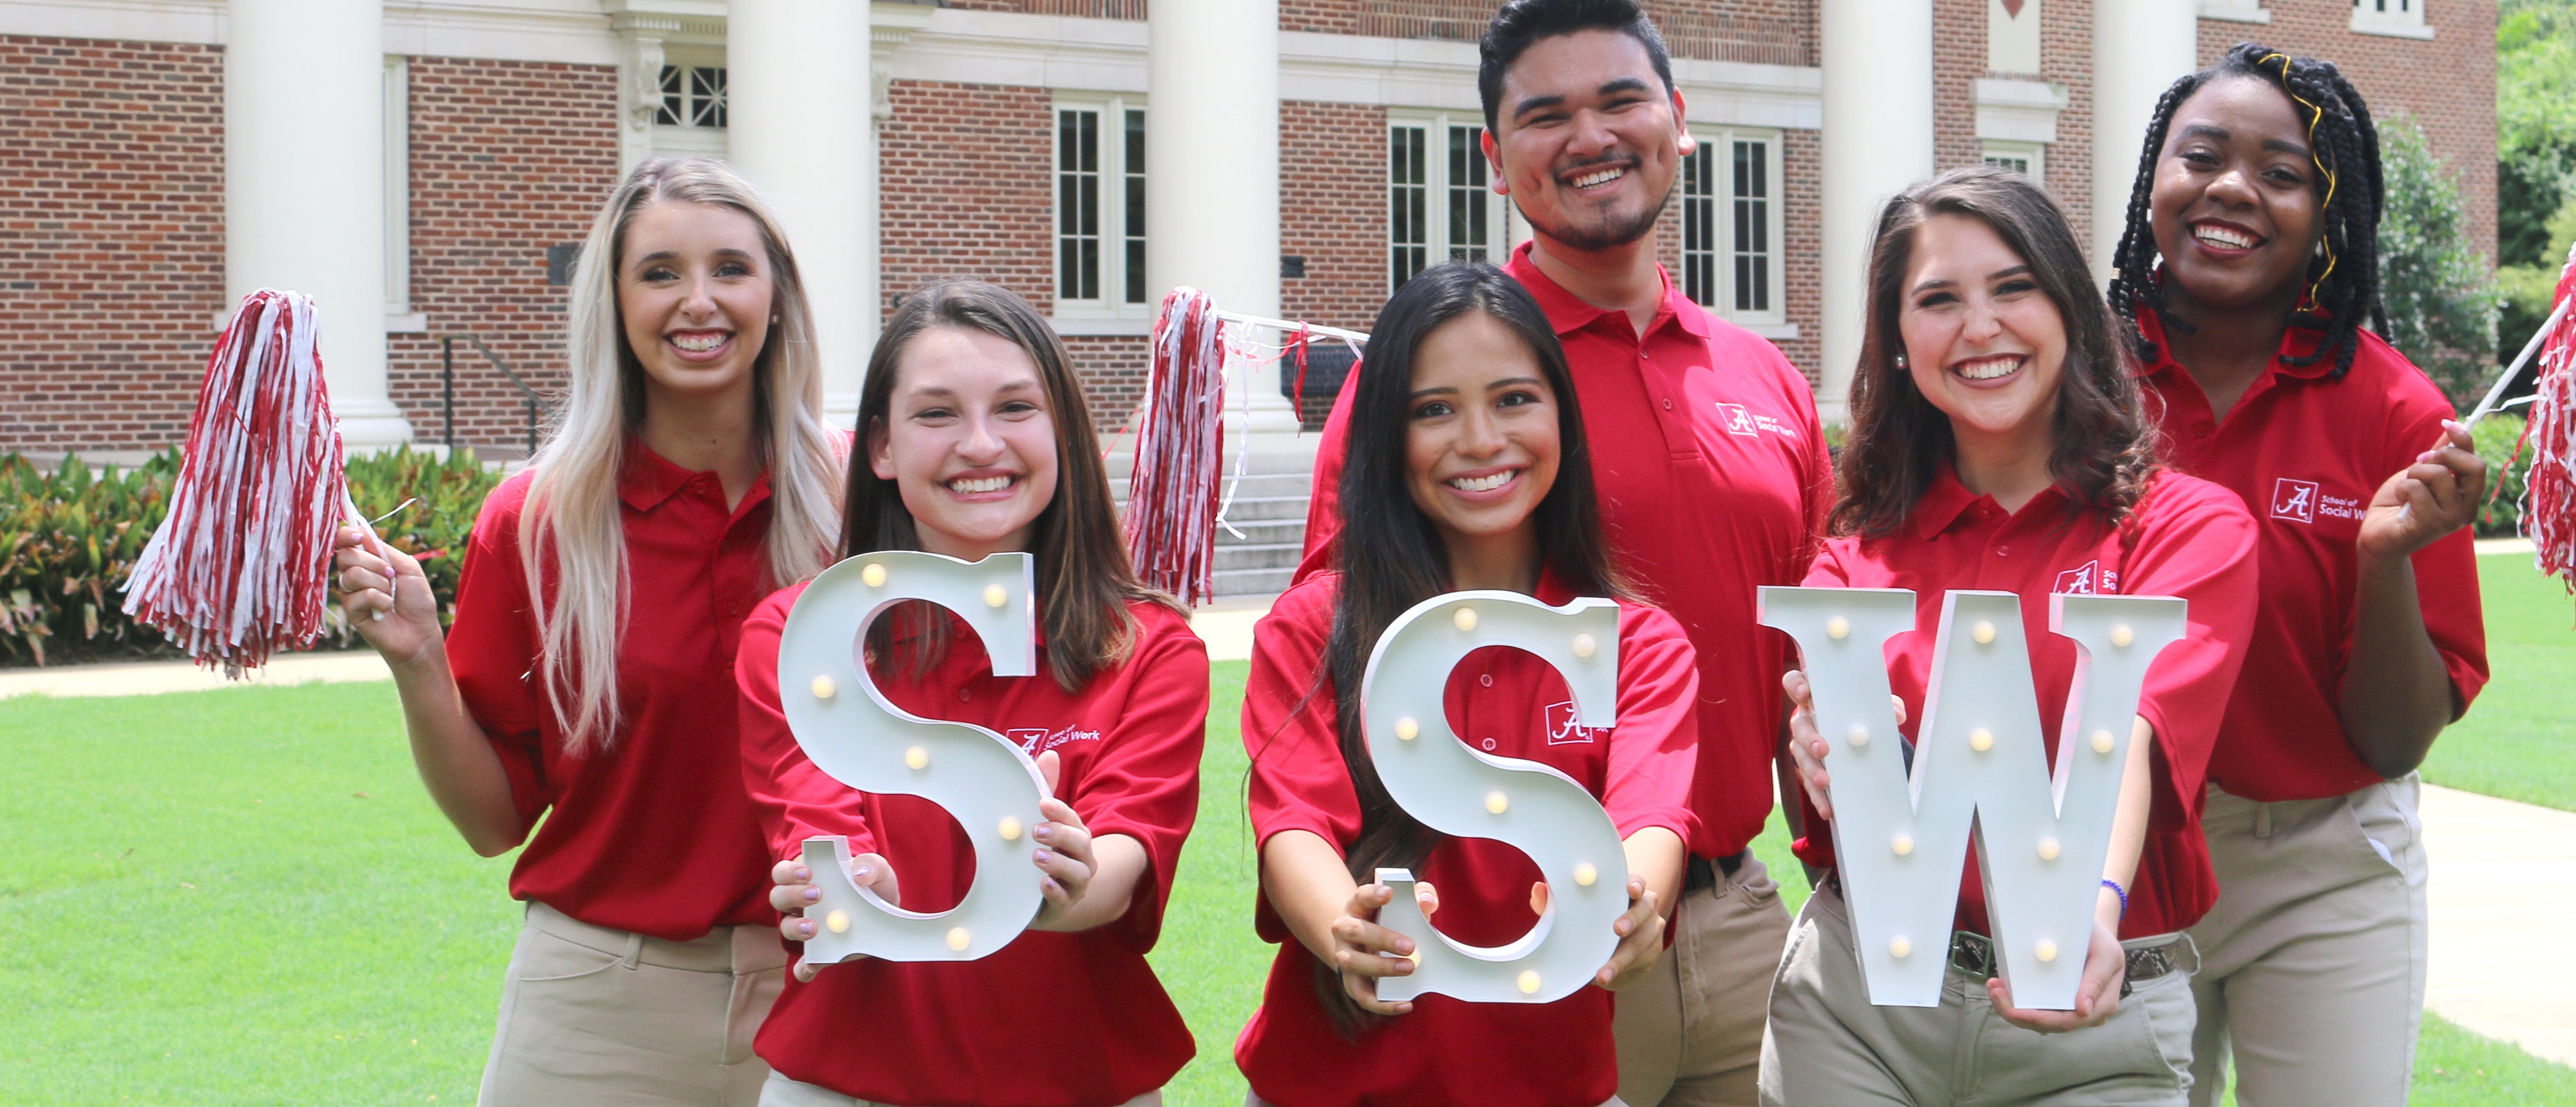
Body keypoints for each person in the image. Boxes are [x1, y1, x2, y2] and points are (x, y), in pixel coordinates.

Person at [1293, 5, 1831, 1099]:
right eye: (1546, 115)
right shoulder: (1431, 381)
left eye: (1620, 100)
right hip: (1508, 925)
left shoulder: (1764, 379)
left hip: (1734, 915)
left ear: (1679, 121)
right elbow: (1345, 653)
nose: (1589, 136)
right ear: (1494, 159)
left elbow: (1809, 661)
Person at [331, 156, 845, 1105]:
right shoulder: (537, 522)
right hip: (602, 1007)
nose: (700, 301)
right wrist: (417, 663)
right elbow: (492, 822)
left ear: (778, 296)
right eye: (660, 273)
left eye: (731, 268)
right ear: (612, 303)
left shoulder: (862, 506)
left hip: (838, 991)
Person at [1761, 167, 2260, 1106]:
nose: (1979, 327)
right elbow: (1846, 752)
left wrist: (2084, 919)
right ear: (1899, 342)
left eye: (2013, 287)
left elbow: (2127, 739)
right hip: (1858, 1012)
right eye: (1938, 300)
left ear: (2070, 308)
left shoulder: (2191, 530)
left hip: (2094, 1016)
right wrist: (1822, 748)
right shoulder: (1848, 558)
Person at [2103, 44, 2492, 1107]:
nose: (2234, 188)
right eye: (2204, 157)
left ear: (2329, 217)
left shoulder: (2399, 416)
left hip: (2322, 860)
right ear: (2155, 183)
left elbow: (2395, 741)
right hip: (2115, 854)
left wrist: (2384, 564)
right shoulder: (2078, 388)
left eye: (2283, 173)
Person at [1239, 262, 1701, 1107]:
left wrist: (1636, 903)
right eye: (1434, 410)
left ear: (1564, 415)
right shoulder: (1314, 626)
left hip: (1552, 1085)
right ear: (1387, 435)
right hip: (1331, 1084)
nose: (1482, 440)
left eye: (1516, 399)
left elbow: (1651, 818)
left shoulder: (1638, 643)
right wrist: (1344, 930)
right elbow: (1292, 825)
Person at [738, 281, 1206, 1107]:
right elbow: (812, 817)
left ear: (1063, 432)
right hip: (848, 1082)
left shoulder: (1149, 649)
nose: (981, 444)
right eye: (937, 414)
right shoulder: (795, 637)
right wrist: (849, 884)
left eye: (1017, 407)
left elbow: (1128, 855)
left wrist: (1069, 875)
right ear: (881, 447)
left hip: (1079, 1081)